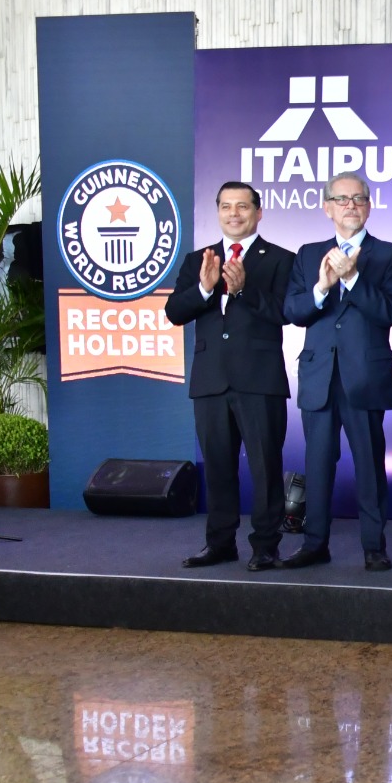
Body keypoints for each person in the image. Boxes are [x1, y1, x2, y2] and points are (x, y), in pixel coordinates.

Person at [281, 172, 392, 571]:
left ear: (369, 206)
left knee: (370, 465)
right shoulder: (306, 254)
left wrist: (352, 279)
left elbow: (391, 310)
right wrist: (322, 287)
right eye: (342, 199)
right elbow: (293, 311)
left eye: (358, 199)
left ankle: (374, 546)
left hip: (364, 377)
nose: (350, 205)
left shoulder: (389, 254)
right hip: (319, 377)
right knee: (318, 465)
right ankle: (314, 544)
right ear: (327, 207)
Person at [165, 183, 295, 571]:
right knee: (218, 466)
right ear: (218, 211)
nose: (234, 213)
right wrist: (206, 288)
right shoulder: (197, 260)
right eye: (226, 206)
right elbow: (174, 312)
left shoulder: (280, 259)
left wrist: (242, 291)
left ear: (258, 212)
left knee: (265, 467)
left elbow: (285, 312)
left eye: (242, 206)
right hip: (210, 380)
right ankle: (220, 543)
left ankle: (266, 546)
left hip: (260, 379)